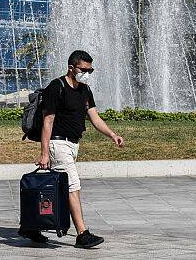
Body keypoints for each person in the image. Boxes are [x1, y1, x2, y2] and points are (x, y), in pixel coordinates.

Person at [20, 50, 124, 248]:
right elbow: (47, 122)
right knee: (73, 187)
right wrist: (44, 154)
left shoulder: (85, 90)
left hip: (73, 144)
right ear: (71, 68)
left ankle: (31, 226)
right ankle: (82, 234)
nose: (87, 73)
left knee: (56, 188)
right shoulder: (56, 87)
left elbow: (95, 118)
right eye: (84, 69)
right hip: (57, 144)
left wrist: (112, 135)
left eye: (90, 70)